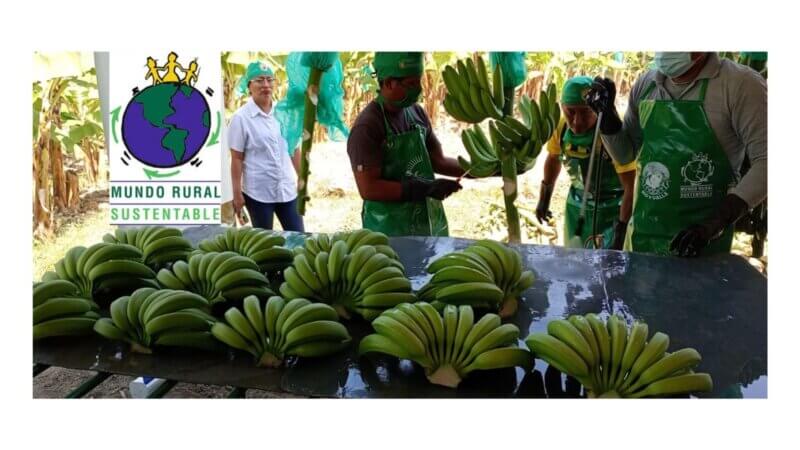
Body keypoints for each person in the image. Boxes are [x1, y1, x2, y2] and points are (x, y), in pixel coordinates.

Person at [587, 52, 767, 256]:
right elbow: (626, 155)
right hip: (643, 236)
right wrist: (608, 116)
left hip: (701, 244)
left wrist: (713, 225)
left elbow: (767, 162)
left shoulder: (740, 85)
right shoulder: (647, 83)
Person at [347, 52, 464, 236]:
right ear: (388, 83)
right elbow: (369, 188)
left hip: (426, 222)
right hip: (389, 228)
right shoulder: (368, 126)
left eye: (418, 81)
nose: (418, 89)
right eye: (410, 84)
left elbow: (438, 161)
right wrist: (423, 189)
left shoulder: (416, 113)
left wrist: (482, 168)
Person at [536, 76, 635, 250]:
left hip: (614, 210)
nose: (577, 122)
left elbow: (631, 187)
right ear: (562, 107)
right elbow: (553, 158)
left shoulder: (612, 134)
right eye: (570, 112)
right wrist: (545, 196)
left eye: (586, 113)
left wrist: (621, 230)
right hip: (576, 204)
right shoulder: (561, 128)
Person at [228, 61, 304, 232]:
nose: (266, 85)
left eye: (270, 80)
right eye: (259, 80)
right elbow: (237, 158)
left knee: (299, 237)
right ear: (249, 85)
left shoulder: (284, 113)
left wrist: (302, 177)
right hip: (258, 193)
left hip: (286, 189)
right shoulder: (241, 118)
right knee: (263, 243)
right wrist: (237, 194)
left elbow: (294, 148)